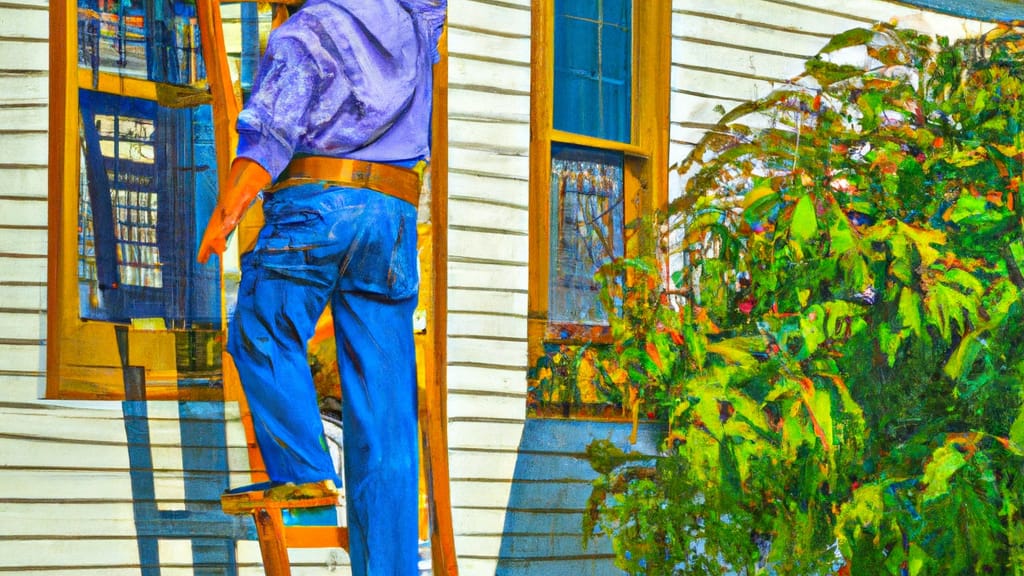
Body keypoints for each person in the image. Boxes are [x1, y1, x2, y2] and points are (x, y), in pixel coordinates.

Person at [196, 1, 446, 573]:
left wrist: (226, 212)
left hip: (318, 204)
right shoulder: (411, 24)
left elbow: (268, 141)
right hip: (393, 217)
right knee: (383, 409)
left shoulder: (303, 34)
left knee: (262, 330)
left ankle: (306, 471)